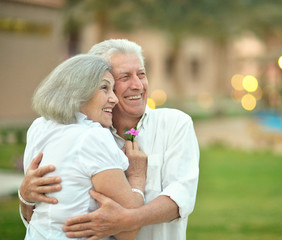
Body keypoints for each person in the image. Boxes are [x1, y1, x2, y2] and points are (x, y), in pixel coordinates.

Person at [19, 39, 200, 240]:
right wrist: (24, 196)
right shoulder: (85, 134)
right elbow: (44, 216)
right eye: (124, 77)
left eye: (141, 74)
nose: (138, 85)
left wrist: (129, 220)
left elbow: (181, 196)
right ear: (90, 83)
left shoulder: (175, 123)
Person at [20, 54, 147, 240]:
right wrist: (137, 178)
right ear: (77, 91)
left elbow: (37, 214)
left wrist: (24, 198)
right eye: (104, 88)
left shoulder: (39, 127)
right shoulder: (92, 136)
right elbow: (129, 230)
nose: (114, 99)